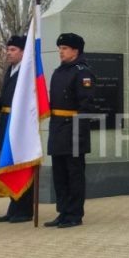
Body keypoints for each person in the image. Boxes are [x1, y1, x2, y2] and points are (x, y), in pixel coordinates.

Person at [45, 33, 96, 229]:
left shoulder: (82, 72)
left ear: (76, 51)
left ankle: (74, 214)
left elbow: (87, 105)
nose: (61, 51)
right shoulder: (59, 72)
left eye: (64, 48)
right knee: (60, 174)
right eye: (60, 48)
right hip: (58, 128)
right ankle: (63, 211)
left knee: (74, 174)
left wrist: (77, 131)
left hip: (73, 130)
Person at [0, 35, 33, 223]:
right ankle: (14, 206)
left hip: (19, 124)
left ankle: (24, 210)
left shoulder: (27, 72)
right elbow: (4, 100)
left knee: (21, 164)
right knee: (10, 164)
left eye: (13, 50)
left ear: (23, 52)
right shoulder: (10, 70)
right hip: (6, 122)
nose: (8, 53)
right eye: (8, 50)